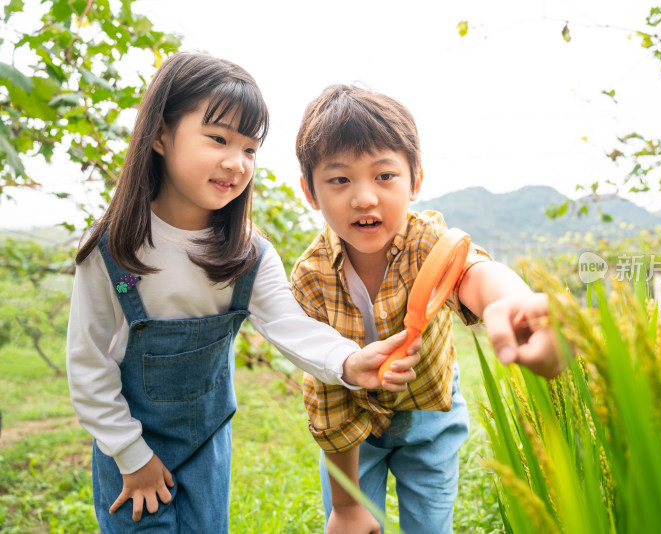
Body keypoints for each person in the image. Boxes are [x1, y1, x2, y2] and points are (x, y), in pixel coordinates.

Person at [66, 54, 421, 533]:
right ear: (160, 134)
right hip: (127, 446)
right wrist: (132, 456)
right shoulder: (112, 249)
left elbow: (290, 324)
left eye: (250, 149)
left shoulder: (247, 254)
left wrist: (348, 361)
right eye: (218, 139)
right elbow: (89, 367)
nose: (236, 163)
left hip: (207, 446)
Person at [292, 84, 565, 534]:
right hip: (352, 431)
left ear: (415, 180)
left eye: (384, 176)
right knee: (352, 525)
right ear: (310, 191)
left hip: (430, 419)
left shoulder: (427, 243)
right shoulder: (311, 278)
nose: (364, 197)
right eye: (340, 179)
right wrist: (344, 507)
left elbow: (470, 270)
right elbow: (326, 394)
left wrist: (513, 304)